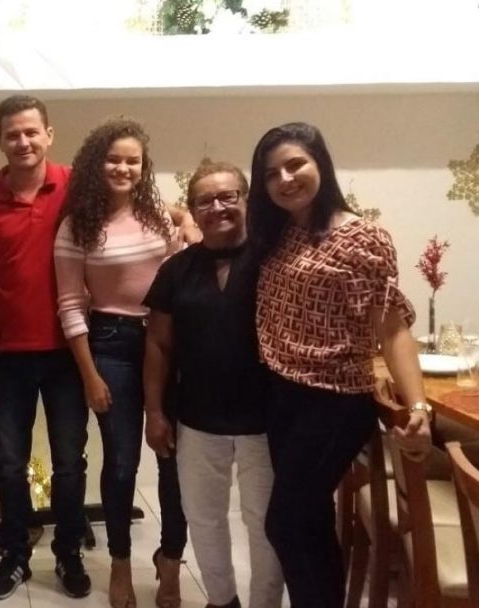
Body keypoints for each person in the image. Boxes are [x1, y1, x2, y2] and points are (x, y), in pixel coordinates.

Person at [249, 122, 432, 608]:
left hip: (333, 401)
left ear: (321, 164)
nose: (285, 179)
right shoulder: (281, 232)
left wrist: (418, 405)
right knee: (309, 523)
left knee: (285, 523)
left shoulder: (362, 238)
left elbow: (391, 328)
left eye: (295, 165)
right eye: (271, 174)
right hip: (282, 396)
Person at [0, 95, 91, 601]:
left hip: (67, 350)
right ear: (0, 141)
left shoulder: (77, 186)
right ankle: (15, 555)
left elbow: (130, 210)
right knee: (10, 465)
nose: (23, 141)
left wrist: (182, 221)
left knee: (69, 463)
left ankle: (68, 552)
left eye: (31, 132)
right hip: (9, 351)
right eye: (12, 134)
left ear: (49, 134)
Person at [54, 118, 186, 608]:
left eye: (133, 161)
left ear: (144, 167)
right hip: (111, 345)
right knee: (123, 461)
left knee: (174, 459)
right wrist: (89, 374)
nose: (123, 168)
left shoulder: (158, 216)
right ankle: (121, 562)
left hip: (169, 341)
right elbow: (70, 305)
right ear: (96, 164)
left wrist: (189, 224)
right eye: (114, 159)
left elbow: (181, 271)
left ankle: (170, 558)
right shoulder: (77, 226)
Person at [143, 161, 284, 608]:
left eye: (228, 196)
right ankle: (221, 601)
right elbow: (158, 345)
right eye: (205, 200)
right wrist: (155, 412)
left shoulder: (275, 261)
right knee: (204, 519)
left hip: (267, 421)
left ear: (247, 200)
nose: (218, 207)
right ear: (192, 210)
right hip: (197, 419)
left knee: (264, 523)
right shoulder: (176, 270)